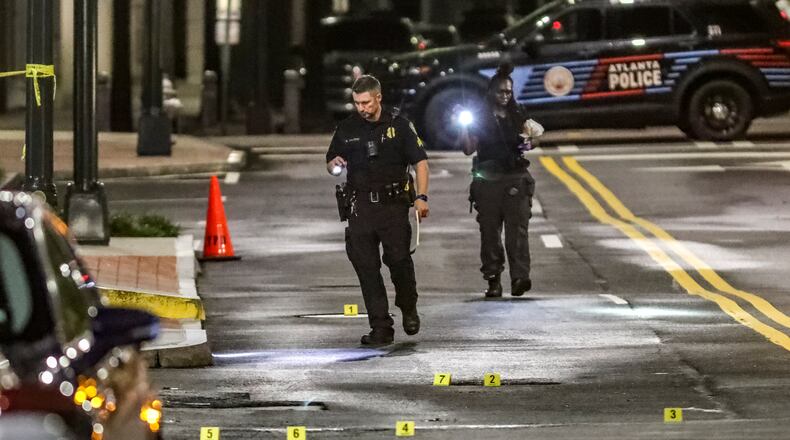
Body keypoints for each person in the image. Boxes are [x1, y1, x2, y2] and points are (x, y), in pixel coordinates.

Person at [326, 75, 430, 345]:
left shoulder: (399, 125)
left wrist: (421, 197)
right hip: (360, 206)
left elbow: (420, 163)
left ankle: (408, 307)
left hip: (393, 206)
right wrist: (334, 164)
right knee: (366, 268)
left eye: (366, 102)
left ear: (378, 97)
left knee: (399, 261)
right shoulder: (347, 128)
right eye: (357, 103)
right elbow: (331, 161)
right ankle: (381, 327)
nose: (362, 108)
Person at [458, 63, 536, 298]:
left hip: (515, 179)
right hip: (488, 181)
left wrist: (529, 142)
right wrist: (464, 127)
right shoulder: (480, 117)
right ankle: (493, 280)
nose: (505, 96)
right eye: (501, 91)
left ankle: (519, 278)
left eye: (509, 92)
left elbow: (533, 137)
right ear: (491, 92)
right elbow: (468, 149)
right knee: (490, 233)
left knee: (517, 232)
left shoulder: (518, 113)